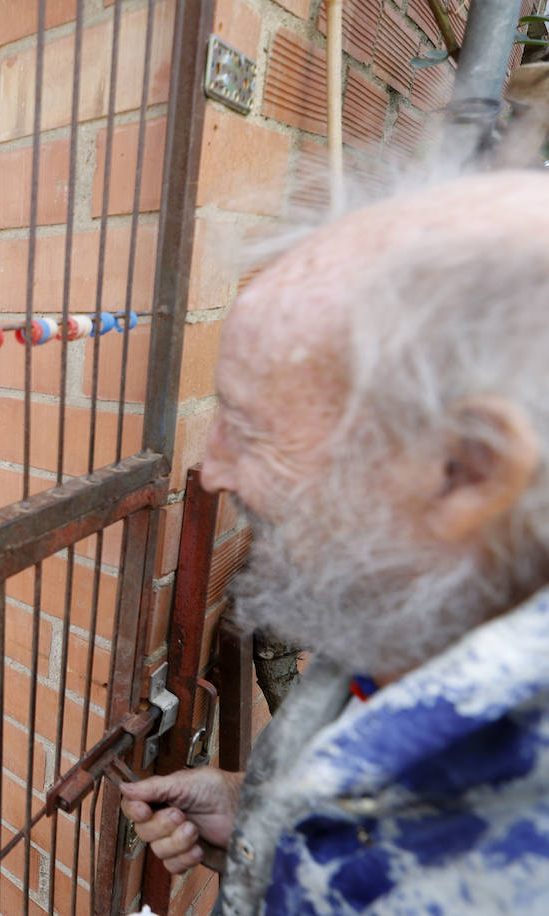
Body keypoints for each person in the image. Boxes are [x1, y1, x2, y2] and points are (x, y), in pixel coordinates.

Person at [120, 170, 549, 914]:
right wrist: (261, 815)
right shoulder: (420, 644)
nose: (213, 469)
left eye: (251, 428)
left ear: (465, 471)